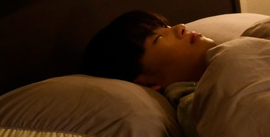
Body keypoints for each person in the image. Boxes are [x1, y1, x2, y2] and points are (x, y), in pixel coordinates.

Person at [81, 10, 216, 91]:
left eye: (167, 27)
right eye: (158, 38)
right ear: (149, 83)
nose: (181, 27)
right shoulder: (195, 104)